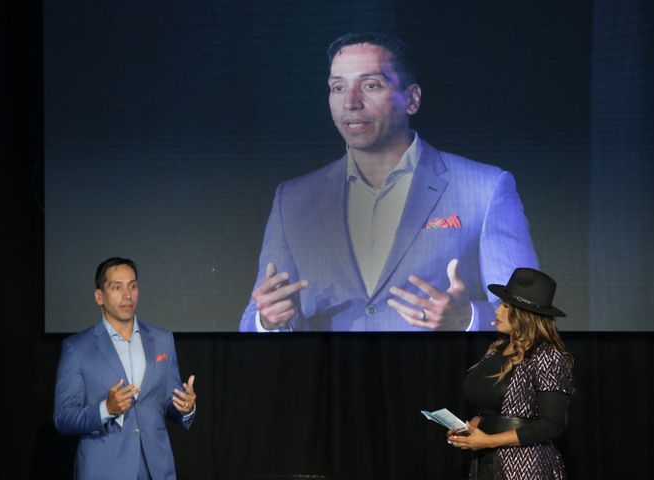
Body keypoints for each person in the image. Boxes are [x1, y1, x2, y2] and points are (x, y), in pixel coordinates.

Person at [239, 31, 538, 332]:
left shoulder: (485, 188)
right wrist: (267, 321)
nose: (351, 102)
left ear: (411, 99)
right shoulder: (292, 199)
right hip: (330, 378)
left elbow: (530, 317)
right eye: (338, 87)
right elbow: (254, 321)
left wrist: (468, 318)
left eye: (371, 85)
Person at [54, 257, 197, 479]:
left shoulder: (162, 340)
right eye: (116, 287)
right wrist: (106, 409)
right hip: (104, 471)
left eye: (133, 285)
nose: (127, 294)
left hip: (157, 470)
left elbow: (170, 402)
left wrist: (186, 408)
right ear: (99, 296)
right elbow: (63, 418)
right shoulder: (77, 348)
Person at [447, 267, 574, 479]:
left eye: (506, 307)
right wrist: (468, 429)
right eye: (500, 305)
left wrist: (488, 441)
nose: (497, 312)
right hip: (485, 463)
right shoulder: (496, 350)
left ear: (525, 315)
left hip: (526, 467)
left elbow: (551, 425)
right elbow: (490, 411)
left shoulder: (547, 355)